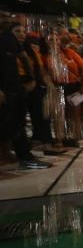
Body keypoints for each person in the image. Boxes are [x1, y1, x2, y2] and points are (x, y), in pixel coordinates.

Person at [0, 24, 52, 169]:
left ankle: (24, 157)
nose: (6, 18)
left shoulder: (8, 38)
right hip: (5, 89)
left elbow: (25, 58)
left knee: (17, 122)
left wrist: (31, 78)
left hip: (14, 87)